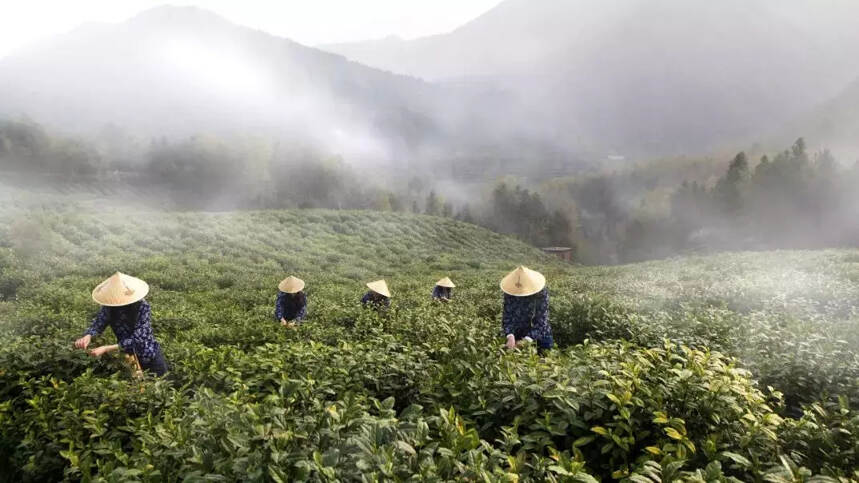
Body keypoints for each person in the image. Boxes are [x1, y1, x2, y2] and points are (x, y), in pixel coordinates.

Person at [74, 272, 169, 376]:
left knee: (160, 385)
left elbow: (139, 339)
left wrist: (106, 348)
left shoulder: (142, 306)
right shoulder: (109, 307)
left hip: (149, 355)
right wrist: (88, 335)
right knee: (138, 387)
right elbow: (98, 323)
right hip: (128, 357)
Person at [500, 266, 553, 351]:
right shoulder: (510, 292)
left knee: (543, 360)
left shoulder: (541, 293)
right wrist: (510, 335)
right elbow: (507, 316)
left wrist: (526, 340)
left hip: (540, 335)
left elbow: (541, 321)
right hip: (518, 332)